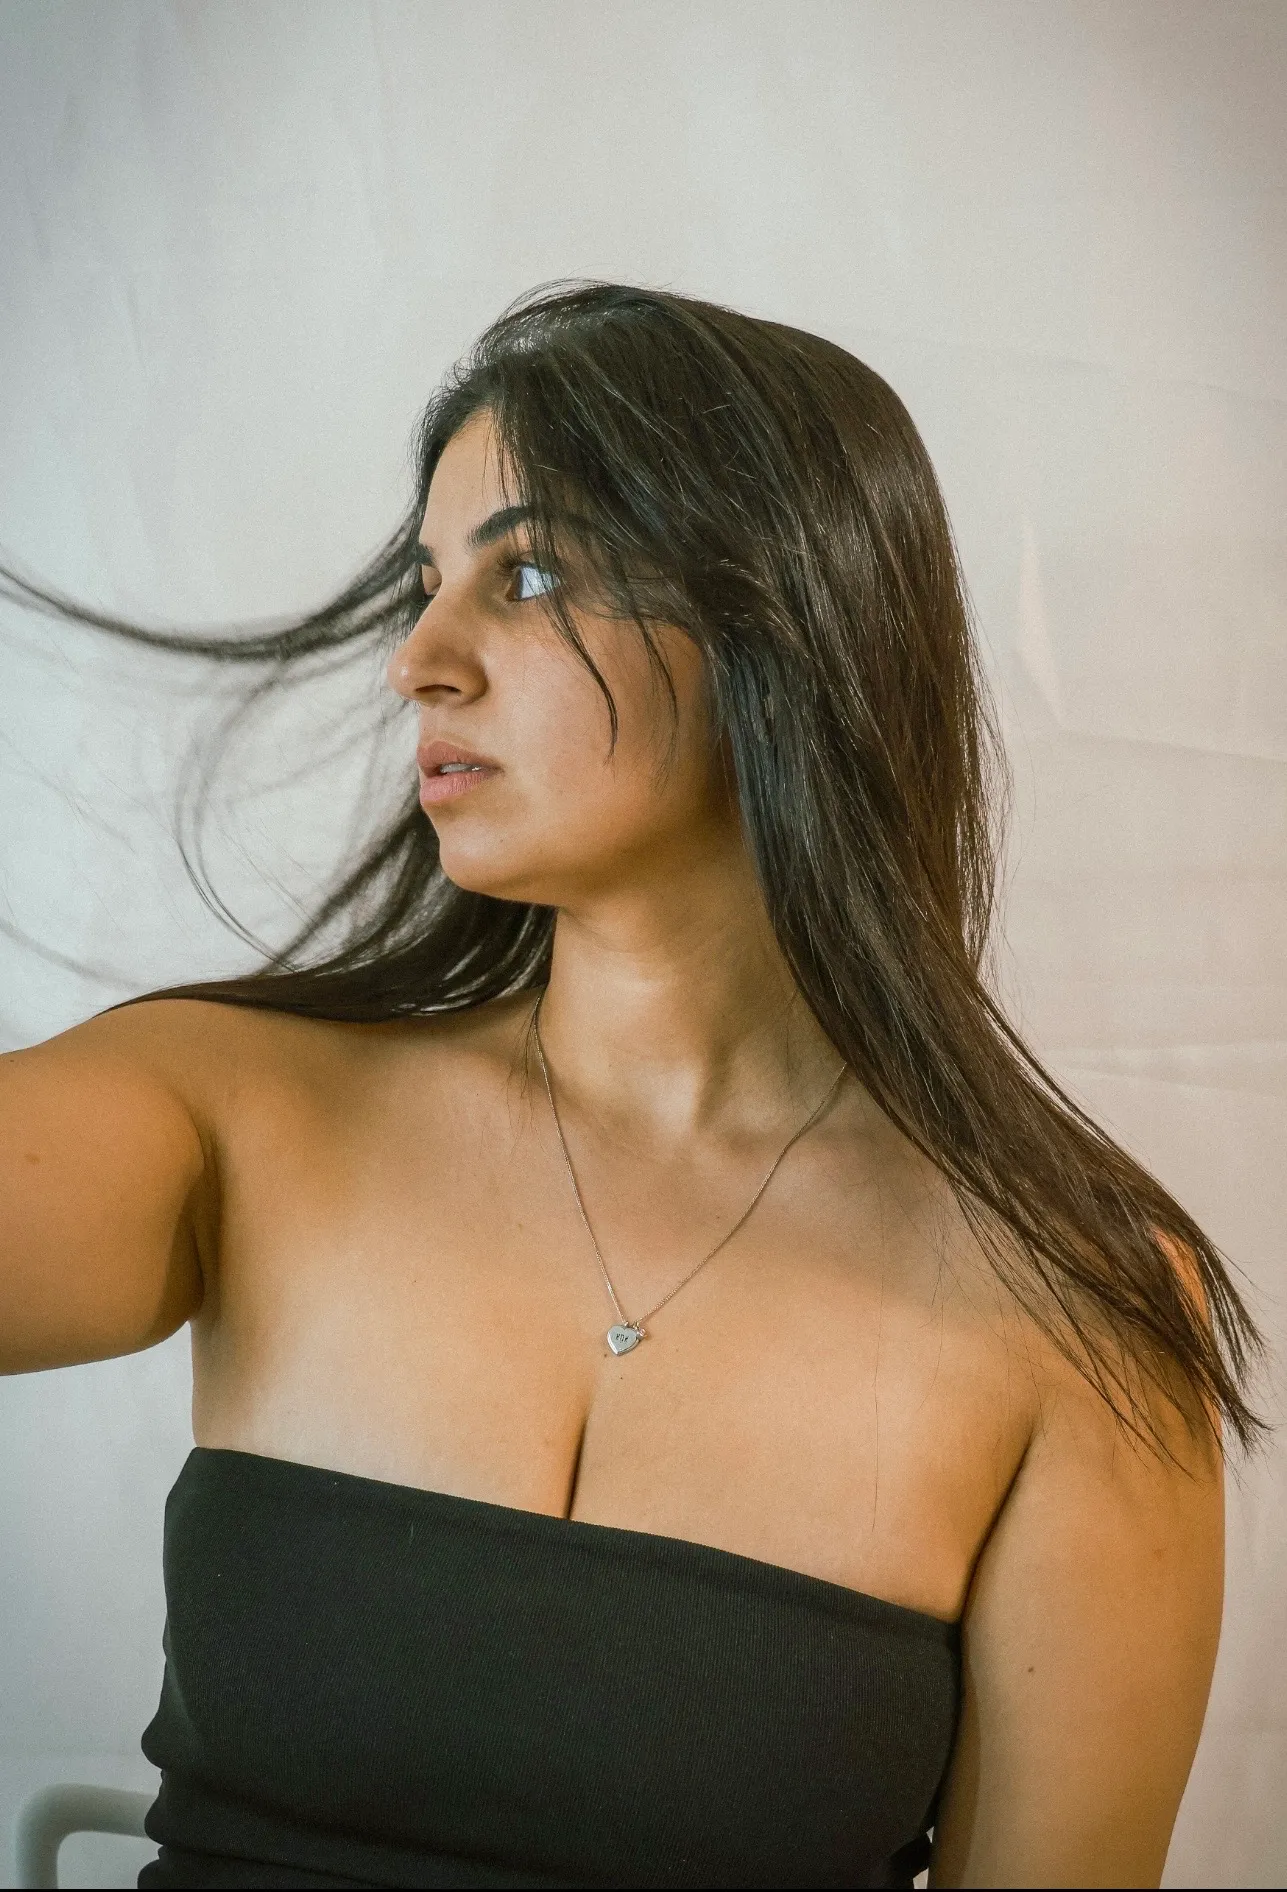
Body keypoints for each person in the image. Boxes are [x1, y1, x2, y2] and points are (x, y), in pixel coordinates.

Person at [0, 283, 1261, 1889]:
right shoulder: (229, 1111)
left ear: (783, 626)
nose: (417, 663)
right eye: (427, 584)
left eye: (527, 574)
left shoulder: (1074, 1316)